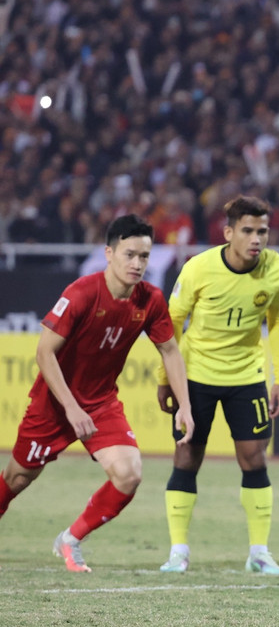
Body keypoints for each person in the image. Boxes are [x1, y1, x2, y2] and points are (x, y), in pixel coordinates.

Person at [1, 216, 195, 571]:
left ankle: (70, 540)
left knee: (129, 472)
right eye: (130, 254)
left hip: (101, 402)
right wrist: (72, 409)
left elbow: (170, 350)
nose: (137, 264)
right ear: (109, 253)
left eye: (144, 257)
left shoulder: (150, 299)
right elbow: (44, 353)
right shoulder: (81, 293)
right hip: (54, 405)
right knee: (17, 478)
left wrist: (185, 405)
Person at [155, 196, 279, 575]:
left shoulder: (277, 269)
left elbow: (278, 321)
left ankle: (259, 552)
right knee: (186, 457)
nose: (256, 239)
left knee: (254, 458)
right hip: (196, 376)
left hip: (246, 377)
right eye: (248, 230)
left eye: (262, 231)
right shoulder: (198, 269)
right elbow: (172, 322)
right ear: (228, 232)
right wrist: (166, 379)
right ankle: (178, 551)